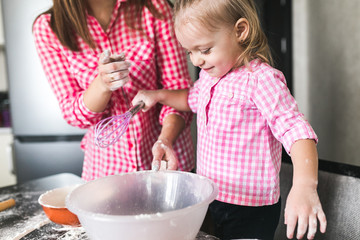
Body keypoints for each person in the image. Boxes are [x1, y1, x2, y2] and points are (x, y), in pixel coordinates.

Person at [132, 0, 327, 239]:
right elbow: (191, 99)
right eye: (189, 52)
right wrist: (159, 95)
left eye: (204, 50)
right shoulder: (209, 76)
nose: (196, 61)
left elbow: (296, 131)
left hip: (250, 208)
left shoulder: (260, 80)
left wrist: (304, 186)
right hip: (210, 197)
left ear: (240, 31)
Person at [32, 0, 195, 181]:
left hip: (169, 166)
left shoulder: (153, 7)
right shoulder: (49, 27)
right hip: (107, 174)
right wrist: (102, 84)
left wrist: (165, 140)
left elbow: (179, 90)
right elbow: (73, 112)